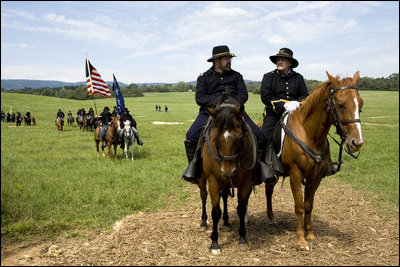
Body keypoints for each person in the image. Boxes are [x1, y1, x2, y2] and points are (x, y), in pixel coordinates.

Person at [182, 45, 275, 185]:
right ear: (216, 60)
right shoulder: (204, 78)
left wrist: (233, 104)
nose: (229, 60)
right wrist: (217, 104)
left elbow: (243, 95)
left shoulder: (237, 76)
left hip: (234, 112)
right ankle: (195, 168)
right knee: (191, 135)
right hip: (212, 113)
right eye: (226, 58)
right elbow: (200, 98)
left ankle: (260, 169)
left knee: (259, 135)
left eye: (229, 58)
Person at [260, 48, 309, 183]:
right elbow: (265, 96)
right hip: (274, 113)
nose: (279, 61)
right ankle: (264, 167)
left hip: (295, 113)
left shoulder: (298, 78)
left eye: (283, 59)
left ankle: (316, 164)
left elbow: (304, 95)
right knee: (264, 136)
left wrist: (297, 103)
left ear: (290, 63)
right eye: (278, 59)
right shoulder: (268, 76)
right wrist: (283, 105)